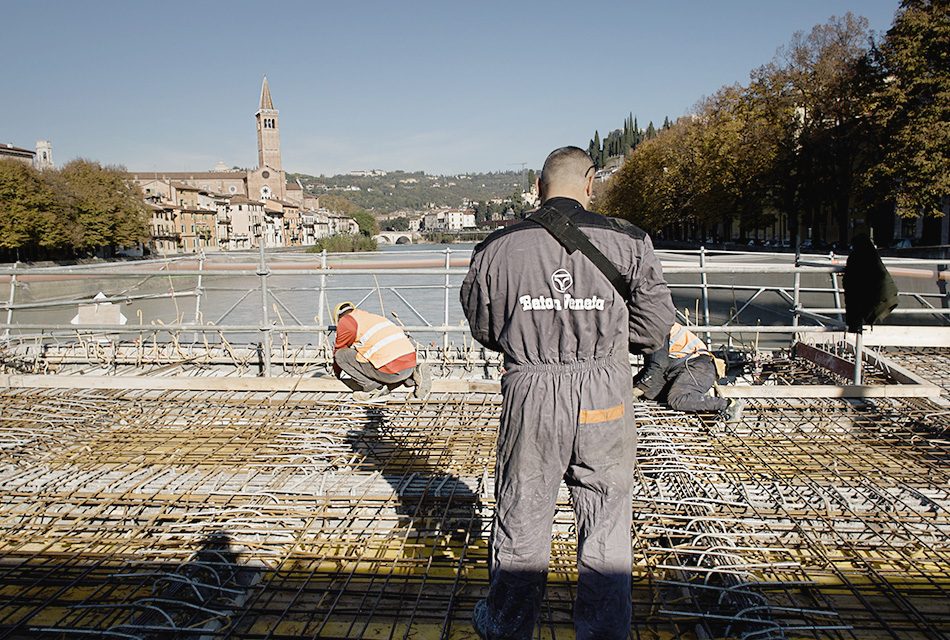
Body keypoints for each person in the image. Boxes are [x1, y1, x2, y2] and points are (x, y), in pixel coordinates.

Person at [460, 146, 675, 639]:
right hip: (604, 392)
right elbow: (654, 325)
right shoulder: (630, 241)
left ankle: (509, 626)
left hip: (531, 393)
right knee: (605, 516)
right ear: (590, 182)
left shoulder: (497, 246)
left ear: (539, 187)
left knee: (523, 510)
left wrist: (532, 339)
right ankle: (602, 633)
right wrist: (603, 343)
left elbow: (484, 325)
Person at [632, 322, 744, 422]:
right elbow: (650, 370)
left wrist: (634, 392)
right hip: (680, 368)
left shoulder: (655, 328)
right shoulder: (647, 326)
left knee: (677, 399)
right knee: (648, 393)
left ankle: (728, 405)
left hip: (699, 367)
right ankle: (695, 398)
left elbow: (657, 367)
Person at [332, 301, 431, 401]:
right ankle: (413, 375)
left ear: (338, 318)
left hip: (391, 372)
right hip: (410, 363)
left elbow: (339, 349)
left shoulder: (346, 321)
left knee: (341, 355)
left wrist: (336, 373)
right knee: (382, 354)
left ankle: (373, 389)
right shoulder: (370, 317)